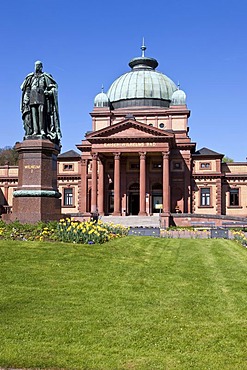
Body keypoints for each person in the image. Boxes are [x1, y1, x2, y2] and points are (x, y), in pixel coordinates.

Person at [20, 61, 62, 146]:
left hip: (42, 97)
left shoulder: (45, 76)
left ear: (41, 67)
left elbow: (54, 88)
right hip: (32, 96)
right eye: (36, 65)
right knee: (33, 114)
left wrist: (49, 93)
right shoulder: (31, 77)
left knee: (41, 113)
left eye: (38, 65)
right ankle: (35, 131)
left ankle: (42, 130)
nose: (37, 67)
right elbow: (23, 87)